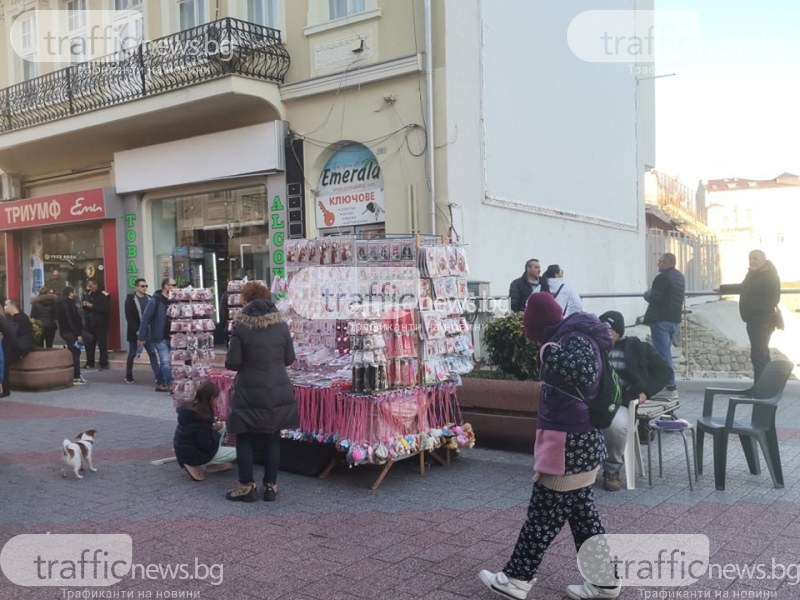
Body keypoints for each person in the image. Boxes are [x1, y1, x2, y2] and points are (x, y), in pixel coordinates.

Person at [479, 293, 619, 600]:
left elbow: (584, 372)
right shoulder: (573, 335)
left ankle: (516, 579)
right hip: (578, 441)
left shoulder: (570, 340)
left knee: (542, 515)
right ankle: (604, 581)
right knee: (584, 517)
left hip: (568, 444)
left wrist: (548, 353)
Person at [224, 281, 297, 502]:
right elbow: (289, 359)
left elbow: (233, 363)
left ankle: (246, 486)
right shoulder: (282, 326)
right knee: (272, 437)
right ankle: (270, 487)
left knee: (244, 436)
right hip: (277, 388)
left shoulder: (241, 326)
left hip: (248, 389)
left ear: (246, 300)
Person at [597, 310, 673, 492]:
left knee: (616, 426)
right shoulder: (594, 349)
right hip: (596, 401)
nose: (604, 333)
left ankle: (612, 470)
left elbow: (665, 371)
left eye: (609, 330)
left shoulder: (637, 348)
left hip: (622, 403)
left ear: (618, 332)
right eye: (601, 329)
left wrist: (645, 391)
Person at [718, 249, 781, 382]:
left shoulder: (770, 275)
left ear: (764, 260)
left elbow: (773, 299)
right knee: (761, 353)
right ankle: (766, 385)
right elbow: (744, 287)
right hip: (754, 321)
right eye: (751, 258)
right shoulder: (753, 274)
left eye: (755, 258)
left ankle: (761, 388)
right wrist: (723, 288)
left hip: (762, 321)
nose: (752, 261)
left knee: (759, 355)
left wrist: (755, 310)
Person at [173, 381, 236, 481]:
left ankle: (212, 464)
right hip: (194, 454)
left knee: (223, 426)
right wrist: (215, 432)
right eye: (217, 398)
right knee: (238, 452)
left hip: (183, 448)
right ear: (211, 398)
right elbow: (205, 444)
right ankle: (202, 462)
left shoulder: (192, 408)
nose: (218, 400)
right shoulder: (202, 416)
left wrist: (214, 428)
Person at [643, 252, 685, 399]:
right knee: (666, 354)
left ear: (667, 262)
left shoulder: (662, 278)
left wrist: (646, 294)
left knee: (663, 355)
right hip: (675, 321)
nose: (658, 264)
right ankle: (668, 384)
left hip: (660, 321)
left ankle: (670, 386)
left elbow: (655, 297)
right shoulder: (680, 277)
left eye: (660, 261)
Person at [138, 277, 175, 392]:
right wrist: (142, 337)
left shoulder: (175, 300)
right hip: (160, 337)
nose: (174, 287)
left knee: (169, 362)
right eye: (172, 285)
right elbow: (145, 319)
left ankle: (160, 382)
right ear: (166, 286)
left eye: (175, 285)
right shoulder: (155, 300)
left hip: (173, 337)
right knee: (165, 361)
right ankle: (170, 384)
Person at [124, 278, 159, 385]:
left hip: (148, 332)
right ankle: (128, 376)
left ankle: (158, 377)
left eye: (146, 286)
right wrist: (138, 331)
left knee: (152, 353)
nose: (144, 288)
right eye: (142, 286)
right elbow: (129, 317)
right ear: (136, 287)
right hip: (135, 332)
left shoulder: (150, 299)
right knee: (132, 354)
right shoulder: (130, 299)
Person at [56, 286, 88, 386]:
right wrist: (77, 334)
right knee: (75, 353)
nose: (75, 294)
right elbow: (71, 319)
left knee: (75, 352)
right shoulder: (67, 304)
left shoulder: (62, 303)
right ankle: (76, 377)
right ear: (70, 293)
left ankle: (77, 375)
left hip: (66, 331)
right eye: (74, 292)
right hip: (70, 332)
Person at [82, 278, 110, 371]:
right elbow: (85, 308)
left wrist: (92, 306)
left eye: (92, 285)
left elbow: (105, 308)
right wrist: (85, 305)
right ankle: (90, 362)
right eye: (89, 285)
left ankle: (103, 362)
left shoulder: (104, 295)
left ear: (97, 285)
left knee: (102, 344)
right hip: (89, 323)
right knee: (89, 344)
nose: (90, 287)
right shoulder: (87, 294)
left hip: (100, 323)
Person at [0, 307, 17, 398]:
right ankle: (5, 389)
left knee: (4, 365)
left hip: (7, 342)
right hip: (9, 341)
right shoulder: (2, 317)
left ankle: (5, 390)